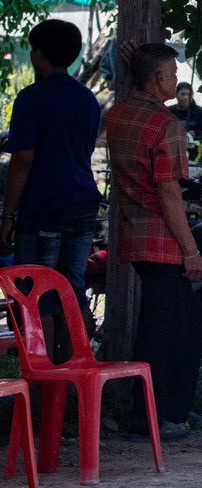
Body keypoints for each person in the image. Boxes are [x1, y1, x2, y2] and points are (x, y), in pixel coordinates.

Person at [105, 43, 202, 441]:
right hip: (165, 238)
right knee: (164, 330)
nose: (176, 80)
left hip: (135, 231)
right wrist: (191, 251)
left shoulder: (119, 114)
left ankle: (170, 411)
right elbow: (168, 193)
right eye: (171, 73)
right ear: (157, 79)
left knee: (180, 320)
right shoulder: (167, 125)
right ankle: (149, 418)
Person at [1, 19, 103, 360]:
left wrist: (8, 215)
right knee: (72, 289)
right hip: (83, 205)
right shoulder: (87, 99)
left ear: (39, 55)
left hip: (45, 206)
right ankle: (73, 371)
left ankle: (43, 378)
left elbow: (23, 160)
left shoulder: (32, 98)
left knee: (38, 292)